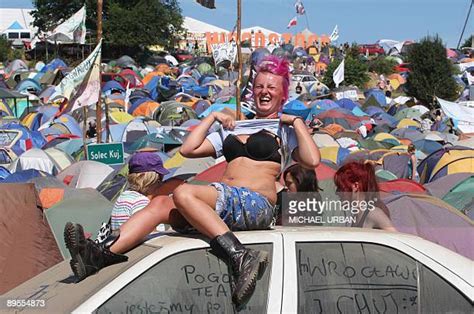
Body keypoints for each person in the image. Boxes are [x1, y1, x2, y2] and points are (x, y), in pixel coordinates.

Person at [63, 55, 321, 307]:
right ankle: (98, 255)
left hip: (256, 205)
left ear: (282, 93)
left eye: (271, 87)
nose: (264, 92)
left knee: (183, 193)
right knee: (160, 204)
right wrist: (212, 118)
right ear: (252, 91)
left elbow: (312, 160)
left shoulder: (283, 131)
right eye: (259, 86)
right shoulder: (236, 126)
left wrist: (295, 120)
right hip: (224, 205)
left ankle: (241, 256)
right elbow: (188, 149)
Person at [110, 151, 169, 231]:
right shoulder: (141, 202)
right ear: (148, 180)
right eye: (159, 180)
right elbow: (150, 234)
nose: (160, 184)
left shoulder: (123, 197)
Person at [334, 161, 397, 231]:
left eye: (341, 187)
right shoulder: (358, 214)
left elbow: (397, 239)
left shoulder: (374, 214)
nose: (337, 192)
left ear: (355, 186)